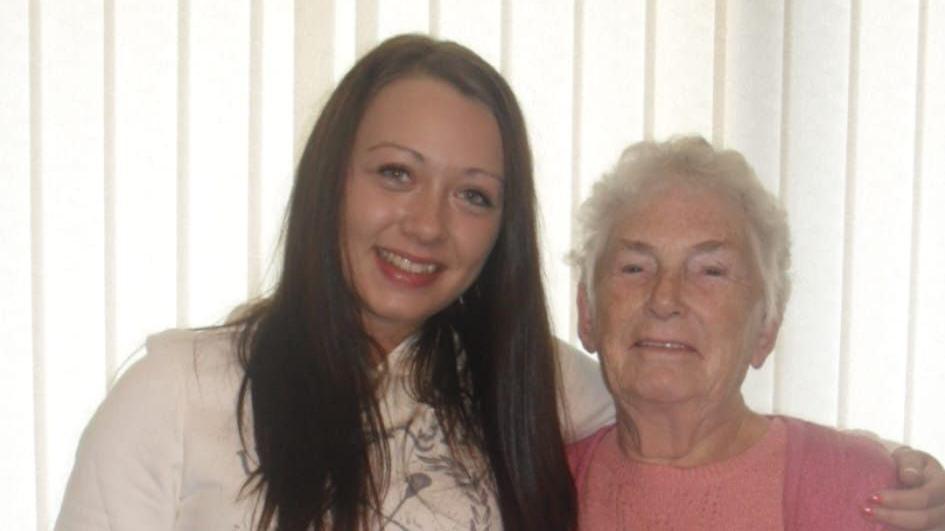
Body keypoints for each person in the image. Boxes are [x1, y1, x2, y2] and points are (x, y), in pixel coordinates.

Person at [55, 36, 944, 531]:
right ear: (332, 177)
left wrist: (891, 473)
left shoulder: (531, 386)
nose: (428, 225)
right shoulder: (177, 394)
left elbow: (690, 409)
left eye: (472, 195)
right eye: (395, 173)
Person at [566, 135, 942, 530]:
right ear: (587, 313)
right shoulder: (526, 492)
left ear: (767, 327)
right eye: (634, 268)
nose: (664, 298)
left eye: (710, 271)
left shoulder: (874, 494)